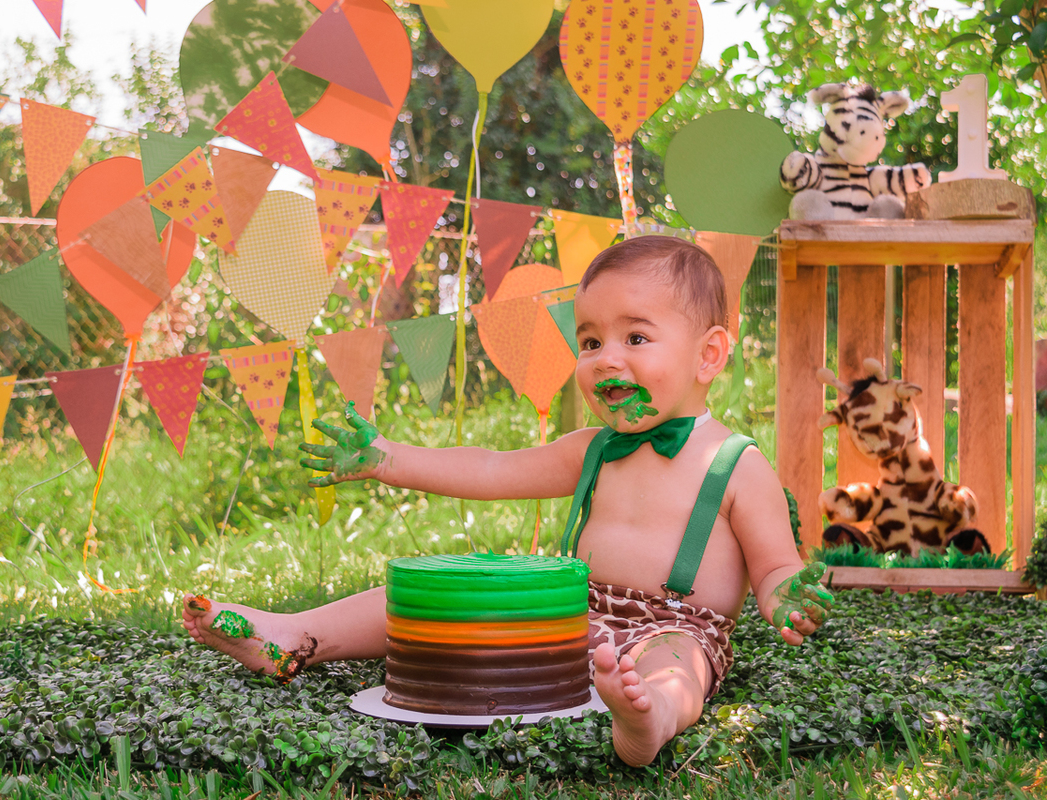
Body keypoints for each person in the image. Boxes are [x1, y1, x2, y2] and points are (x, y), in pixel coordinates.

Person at [182, 235, 834, 767]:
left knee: (678, 667)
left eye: (635, 339)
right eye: (590, 341)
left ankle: (647, 719)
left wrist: (786, 595)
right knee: (434, 599)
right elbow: (491, 469)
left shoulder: (736, 464)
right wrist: (388, 458)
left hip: (675, 625)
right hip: (568, 612)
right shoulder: (592, 448)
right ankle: (297, 635)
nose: (607, 359)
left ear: (709, 354)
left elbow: (775, 564)